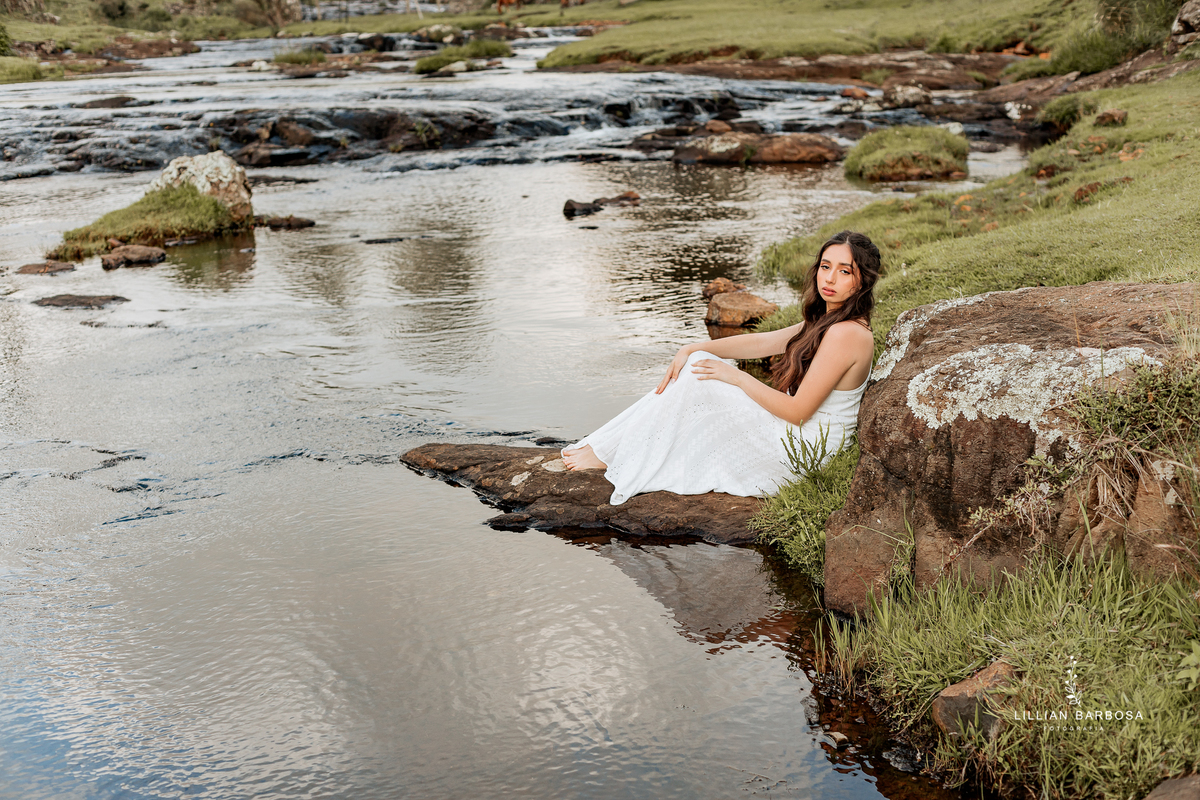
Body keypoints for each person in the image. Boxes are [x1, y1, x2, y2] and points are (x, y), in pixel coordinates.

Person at [560, 229, 880, 506]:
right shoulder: (832, 322)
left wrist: (737, 377)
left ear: (863, 280)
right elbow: (761, 343)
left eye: (844, 272)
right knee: (700, 363)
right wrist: (695, 347)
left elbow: (799, 411)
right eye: (825, 267)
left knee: (704, 375)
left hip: (806, 453)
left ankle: (608, 453)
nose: (829, 278)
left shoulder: (845, 334)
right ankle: (608, 449)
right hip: (799, 437)